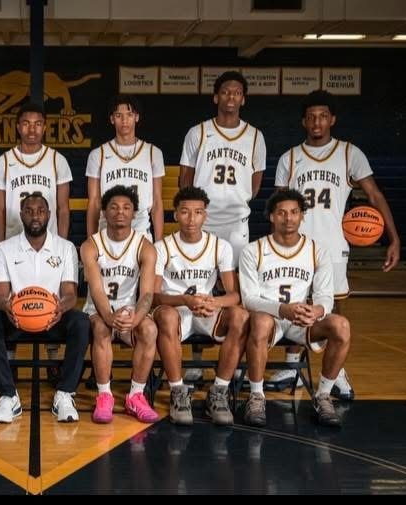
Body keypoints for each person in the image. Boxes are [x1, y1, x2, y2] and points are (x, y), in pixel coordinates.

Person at [272, 90, 400, 400]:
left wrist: (393, 238)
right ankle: (292, 366)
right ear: (304, 121)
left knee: (335, 309)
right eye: (311, 116)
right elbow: (278, 205)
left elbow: (375, 196)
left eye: (323, 116)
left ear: (333, 119)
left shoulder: (349, 153)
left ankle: (336, 370)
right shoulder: (289, 157)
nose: (317, 121)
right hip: (296, 244)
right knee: (296, 302)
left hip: (333, 245)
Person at [178, 70, 266, 381]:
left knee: (237, 290)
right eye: (225, 92)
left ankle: (236, 357)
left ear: (243, 98)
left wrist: (235, 200)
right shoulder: (198, 133)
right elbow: (184, 178)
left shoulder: (255, 136)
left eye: (236, 92)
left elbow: (255, 183)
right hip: (204, 221)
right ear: (216, 97)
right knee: (198, 285)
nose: (231, 97)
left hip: (236, 224)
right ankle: (195, 358)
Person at [240, 189, 350, 427]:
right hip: (271, 319)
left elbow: (324, 296)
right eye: (281, 213)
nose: (288, 218)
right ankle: (256, 396)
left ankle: (323, 395)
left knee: (341, 326)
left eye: (294, 212)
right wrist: (282, 309)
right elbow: (249, 299)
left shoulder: (317, 251)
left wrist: (317, 311)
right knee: (259, 321)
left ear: (302, 216)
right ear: (271, 217)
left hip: (302, 320)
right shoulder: (254, 250)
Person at [0, 193, 89, 423]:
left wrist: (60, 309)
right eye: (29, 211)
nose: (35, 216)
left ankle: (65, 394)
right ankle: (8, 396)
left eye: (40, 211)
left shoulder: (66, 247)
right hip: (16, 318)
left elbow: (70, 294)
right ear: (21, 215)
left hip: (52, 319)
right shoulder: (5, 248)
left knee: (81, 321)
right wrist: (6, 305)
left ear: (49, 215)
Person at [152, 186, 250, 426]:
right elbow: (154, 296)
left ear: (205, 215)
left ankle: (219, 391)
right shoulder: (161, 247)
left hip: (207, 310)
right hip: (175, 310)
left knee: (240, 316)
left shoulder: (221, 246)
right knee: (165, 316)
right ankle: (178, 390)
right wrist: (185, 300)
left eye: (198, 212)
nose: (191, 218)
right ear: (175, 215)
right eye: (185, 212)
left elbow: (235, 295)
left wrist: (214, 301)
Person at [0, 102, 74, 368]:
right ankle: (10, 363)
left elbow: (62, 207)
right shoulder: (3, 161)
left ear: (45, 127)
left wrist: (60, 243)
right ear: (17, 126)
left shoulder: (56, 159)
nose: (32, 129)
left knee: (48, 299)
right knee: (13, 303)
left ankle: (52, 362)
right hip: (15, 244)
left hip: (47, 243)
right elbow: (0, 208)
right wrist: (1, 243)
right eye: (26, 123)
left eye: (37, 123)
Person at [81, 186, 159, 424]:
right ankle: (104, 395)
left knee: (149, 329)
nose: (120, 212)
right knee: (102, 329)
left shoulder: (145, 246)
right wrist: (108, 315)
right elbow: (95, 289)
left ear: (134, 213)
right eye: (114, 207)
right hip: (98, 310)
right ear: (104, 212)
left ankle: (136, 395)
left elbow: (147, 294)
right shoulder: (91, 245)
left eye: (126, 207)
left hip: (129, 311)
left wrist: (135, 318)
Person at [85, 95, 165, 241]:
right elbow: (94, 202)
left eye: (129, 115)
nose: (124, 120)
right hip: (107, 233)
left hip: (140, 232)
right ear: (111, 119)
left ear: (137, 117)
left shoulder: (154, 153)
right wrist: (91, 240)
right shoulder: (98, 154)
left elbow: (157, 202)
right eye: (118, 115)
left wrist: (159, 243)